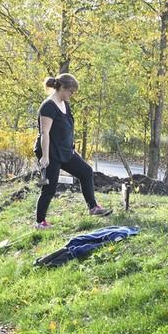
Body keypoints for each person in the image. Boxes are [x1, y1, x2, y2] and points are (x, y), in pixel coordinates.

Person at [35, 74, 112, 229]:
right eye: (71, 91)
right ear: (62, 88)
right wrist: (44, 156)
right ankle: (40, 222)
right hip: (50, 152)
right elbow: (45, 133)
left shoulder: (65, 104)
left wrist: (72, 149)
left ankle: (93, 207)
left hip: (65, 151)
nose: (72, 94)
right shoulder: (48, 106)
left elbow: (67, 129)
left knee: (86, 171)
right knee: (50, 187)